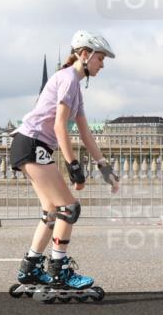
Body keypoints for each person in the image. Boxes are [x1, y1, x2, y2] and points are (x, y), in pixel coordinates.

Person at [9, 30, 120, 297]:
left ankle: (31, 267)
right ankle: (59, 269)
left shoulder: (73, 85)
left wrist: (104, 166)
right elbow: (60, 125)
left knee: (51, 211)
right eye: (101, 59)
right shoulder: (69, 79)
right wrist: (73, 165)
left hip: (29, 144)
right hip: (34, 143)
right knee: (69, 208)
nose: (102, 65)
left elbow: (85, 132)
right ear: (85, 54)